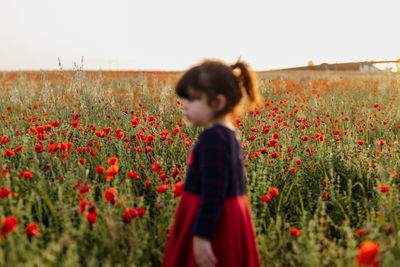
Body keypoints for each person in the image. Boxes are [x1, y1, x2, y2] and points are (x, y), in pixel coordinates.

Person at [162, 58, 262, 267]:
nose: (184, 106)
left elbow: (213, 192)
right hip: (231, 215)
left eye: (191, 99)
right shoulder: (228, 134)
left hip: (214, 223)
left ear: (217, 102)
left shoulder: (213, 138)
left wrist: (201, 236)